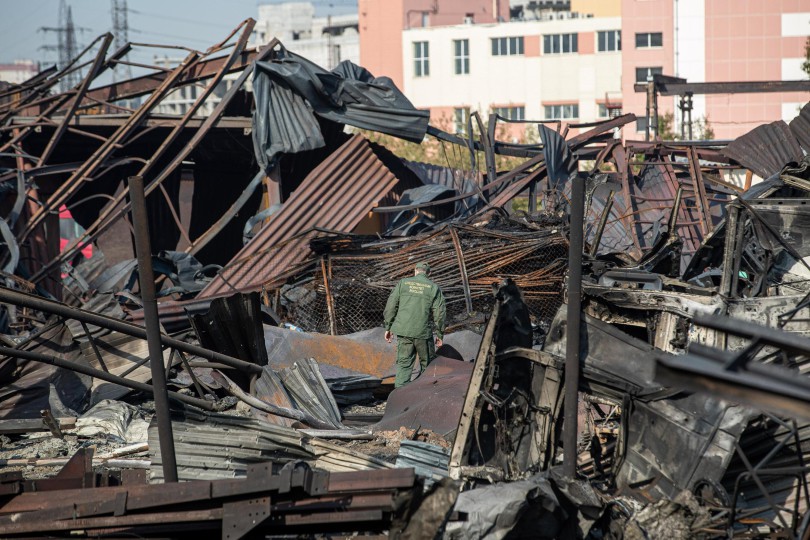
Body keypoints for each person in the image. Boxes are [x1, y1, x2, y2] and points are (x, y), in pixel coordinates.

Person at [383, 261, 447, 388]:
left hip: (404, 332)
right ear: (429, 273)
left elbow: (390, 307)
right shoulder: (433, 288)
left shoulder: (403, 283)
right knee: (427, 365)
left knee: (404, 365)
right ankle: (423, 393)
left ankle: (400, 395)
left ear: (415, 271)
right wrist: (440, 334)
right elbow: (440, 313)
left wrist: (388, 327)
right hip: (423, 334)